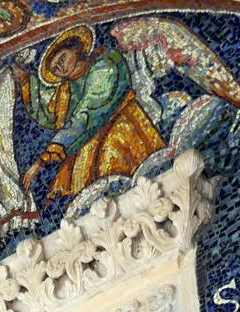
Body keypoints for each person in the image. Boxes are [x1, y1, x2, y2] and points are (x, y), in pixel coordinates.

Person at [14, 28, 163, 200]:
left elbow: (85, 115)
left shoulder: (105, 64)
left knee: (119, 177)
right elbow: (48, 114)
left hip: (121, 131)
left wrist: (42, 160)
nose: (60, 67)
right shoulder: (66, 91)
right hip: (90, 142)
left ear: (77, 48)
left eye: (62, 58)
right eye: (55, 68)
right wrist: (26, 81)